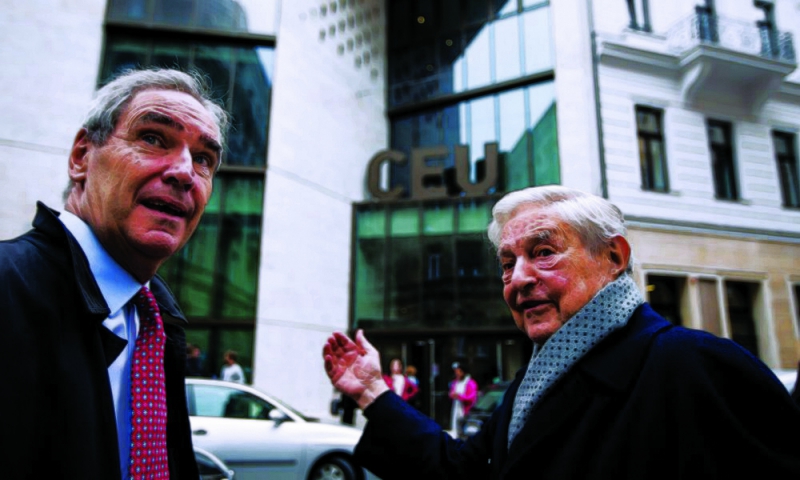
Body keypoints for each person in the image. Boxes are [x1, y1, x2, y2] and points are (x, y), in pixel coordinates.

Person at [323, 185, 800, 479]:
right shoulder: (533, 384)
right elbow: (460, 473)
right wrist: (372, 392)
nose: (518, 279)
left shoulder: (693, 366)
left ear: (613, 257)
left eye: (544, 252)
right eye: (507, 263)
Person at [0, 68, 228, 479]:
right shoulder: (8, 286)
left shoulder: (156, 320)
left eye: (203, 159)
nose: (184, 172)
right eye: (153, 138)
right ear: (81, 157)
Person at [448, 362, 477, 436]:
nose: (456, 374)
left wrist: (459, 396)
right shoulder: (455, 382)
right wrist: (451, 395)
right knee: (455, 428)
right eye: (455, 372)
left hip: (465, 411)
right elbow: (452, 393)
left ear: (463, 372)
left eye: (458, 372)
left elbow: (471, 397)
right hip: (456, 408)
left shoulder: (470, 383)